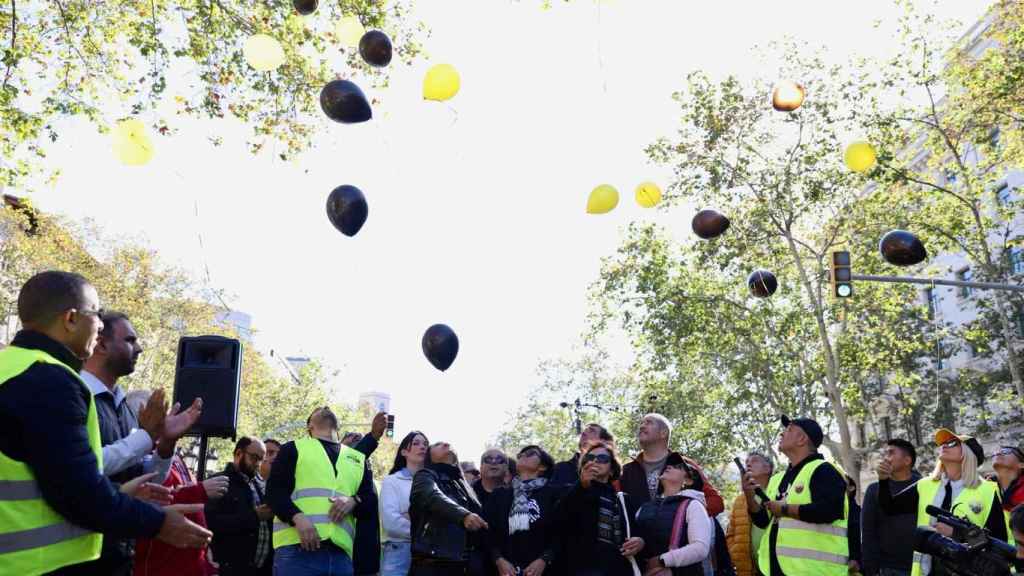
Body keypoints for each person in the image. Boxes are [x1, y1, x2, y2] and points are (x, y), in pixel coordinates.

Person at [0, 270, 211, 575]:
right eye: (96, 314)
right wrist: (160, 523)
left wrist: (157, 451)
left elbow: (51, 474)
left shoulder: (13, 368)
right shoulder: (49, 380)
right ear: (71, 319)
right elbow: (78, 492)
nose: (99, 325)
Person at [80, 311, 204, 575]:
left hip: (119, 556)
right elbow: (81, 468)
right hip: (75, 556)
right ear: (101, 344)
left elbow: (146, 484)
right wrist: (146, 437)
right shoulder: (74, 395)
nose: (139, 348)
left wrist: (166, 445)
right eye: (130, 340)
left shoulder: (123, 407)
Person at [876, 428, 1009, 576]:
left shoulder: (987, 491)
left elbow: (998, 543)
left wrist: (957, 534)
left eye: (952, 443)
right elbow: (889, 507)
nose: (944, 445)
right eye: (943, 443)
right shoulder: (925, 484)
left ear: (968, 453)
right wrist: (883, 480)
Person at [128, 390, 228, 576]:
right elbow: (148, 501)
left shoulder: (172, 455)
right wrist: (200, 491)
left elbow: (192, 509)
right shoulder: (134, 455)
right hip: (161, 565)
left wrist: (206, 552)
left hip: (190, 563)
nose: (163, 419)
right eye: (156, 413)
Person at [267, 406, 375, 576]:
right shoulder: (292, 448)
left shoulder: (358, 460)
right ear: (310, 428)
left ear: (338, 427)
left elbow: (370, 502)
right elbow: (274, 492)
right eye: (318, 409)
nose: (325, 408)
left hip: (341, 557)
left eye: (327, 408)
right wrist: (297, 518)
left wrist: (354, 500)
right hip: (297, 551)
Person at [745, 416, 848, 576]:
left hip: (815, 571)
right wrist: (749, 496)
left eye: (789, 429)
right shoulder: (777, 478)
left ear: (801, 439)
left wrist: (785, 509)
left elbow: (830, 510)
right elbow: (763, 521)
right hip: (776, 569)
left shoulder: (824, 470)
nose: (781, 434)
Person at [553, 441, 644, 576]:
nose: (594, 461)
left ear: (612, 469)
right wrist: (581, 486)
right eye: (589, 458)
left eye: (602, 459)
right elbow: (557, 522)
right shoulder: (570, 492)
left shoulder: (623, 499)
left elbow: (637, 532)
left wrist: (640, 542)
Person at [409, 441, 490, 576]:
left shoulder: (463, 485)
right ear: (429, 457)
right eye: (438, 445)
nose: (446, 444)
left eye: (448, 443)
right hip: (433, 565)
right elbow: (431, 495)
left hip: (464, 566)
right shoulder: (424, 475)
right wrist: (463, 516)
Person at [621, 414, 725, 516]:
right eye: (641, 423)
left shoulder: (685, 465)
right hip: (636, 533)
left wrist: (683, 515)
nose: (642, 426)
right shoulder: (625, 471)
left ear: (663, 433)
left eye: (649, 423)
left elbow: (715, 502)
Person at [635, 453, 718, 576]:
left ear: (688, 480)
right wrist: (638, 542)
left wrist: (662, 560)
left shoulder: (694, 505)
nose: (668, 467)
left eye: (677, 467)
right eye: (668, 465)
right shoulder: (644, 508)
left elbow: (700, 548)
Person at [485, 445, 559, 576]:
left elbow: (562, 532)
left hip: (544, 570)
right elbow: (487, 532)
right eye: (520, 455)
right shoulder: (499, 495)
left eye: (530, 453)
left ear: (543, 466)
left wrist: (544, 559)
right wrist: (499, 560)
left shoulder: (554, 494)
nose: (523, 455)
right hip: (505, 571)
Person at [205, 437, 274, 576]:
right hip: (229, 568)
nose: (258, 464)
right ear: (238, 454)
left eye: (261, 459)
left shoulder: (257, 485)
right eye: (254, 458)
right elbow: (210, 523)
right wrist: (254, 516)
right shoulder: (218, 482)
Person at [861, 439, 920, 576]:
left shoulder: (924, 487)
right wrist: (870, 569)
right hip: (888, 568)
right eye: (885, 454)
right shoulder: (873, 490)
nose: (885, 459)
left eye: (891, 453)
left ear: (907, 461)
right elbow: (868, 531)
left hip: (922, 565)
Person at [381, 431, 429, 576]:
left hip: (429, 556)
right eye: (416, 443)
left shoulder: (435, 483)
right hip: (399, 553)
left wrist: (409, 515)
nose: (422, 447)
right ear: (404, 452)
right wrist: (425, 529)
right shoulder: (392, 481)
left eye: (426, 444)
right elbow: (391, 523)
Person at [726, 452, 773, 576]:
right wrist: (734, 552)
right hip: (748, 568)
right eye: (747, 462)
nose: (748, 463)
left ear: (767, 468)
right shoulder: (740, 500)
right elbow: (731, 533)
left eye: (754, 461)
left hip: (775, 565)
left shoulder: (778, 492)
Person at [550, 423, 614, 489]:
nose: (584, 433)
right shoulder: (561, 468)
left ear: (603, 441)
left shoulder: (609, 475)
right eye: (585, 430)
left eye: (592, 431)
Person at [994, 445, 1024, 512]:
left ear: (1021, 465)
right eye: (994, 453)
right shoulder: (987, 486)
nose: (998, 453)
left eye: (1005, 452)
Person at [846, 475, 862, 576]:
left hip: (852, 566)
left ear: (851, 488)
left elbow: (857, 535)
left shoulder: (856, 511)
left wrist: (855, 558)